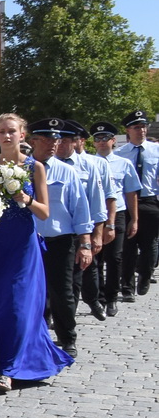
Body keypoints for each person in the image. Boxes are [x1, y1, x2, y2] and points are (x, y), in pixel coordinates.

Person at [0, 114, 71, 389]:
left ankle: (11, 367)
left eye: (12, 131)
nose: (7, 136)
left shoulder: (34, 166)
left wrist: (26, 199)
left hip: (22, 245)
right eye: (2, 131)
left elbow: (45, 212)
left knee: (19, 305)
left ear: (22, 135)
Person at [27, 119, 95, 357]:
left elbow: (80, 209)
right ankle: (35, 335)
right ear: (33, 141)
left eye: (55, 140)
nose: (53, 144)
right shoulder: (20, 168)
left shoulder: (66, 171)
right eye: (47, 139)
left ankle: (67, 337)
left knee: (61, 292)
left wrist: (85, 244)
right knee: (31, 291)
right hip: (28, 241)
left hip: (59, 239)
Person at [61, 124, 114, 321]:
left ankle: (91, 301)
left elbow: (99, 201)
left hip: (82, 228)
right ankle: (53, 316)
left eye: (67, 140)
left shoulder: (90, 164)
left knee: (84, 271)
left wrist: (99, 232)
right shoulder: (46, 165)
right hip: (57, 230)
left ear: (78, 142)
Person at [91, 121, 141, 317]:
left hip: (118, 213)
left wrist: (134, 219)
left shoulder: (124, 163)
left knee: (114, 257)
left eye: (105, 138)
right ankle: (99, 297)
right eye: (97, 139)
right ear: (93, 143)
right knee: (96, 258)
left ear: (113, 141)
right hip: (95, 213)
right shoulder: (89, 163)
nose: (101, 142)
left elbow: (131, 193)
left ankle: (112, 297)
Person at [114, 111, 159, 297]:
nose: (141, 130)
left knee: (150, 245)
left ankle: (145, 275)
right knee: (128, 247)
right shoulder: (120, 154)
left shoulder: (156, 150)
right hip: (127, 202)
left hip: (150, 201)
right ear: (128, 130)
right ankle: (127, 287)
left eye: (144, 126)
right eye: (137, 127)